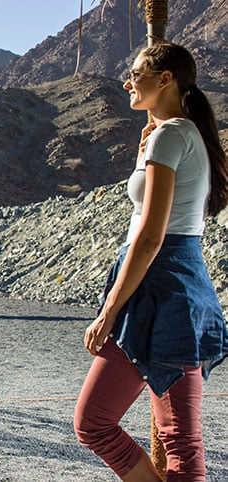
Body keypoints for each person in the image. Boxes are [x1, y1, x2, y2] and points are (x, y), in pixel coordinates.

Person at [73, 42, 228, 480]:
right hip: (180, 281)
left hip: (161, 283)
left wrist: (107, 313)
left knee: (99, 424)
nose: (127, 81)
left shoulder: (172, 134)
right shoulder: (180, 134)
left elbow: (150, 236)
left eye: (136, 72)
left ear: (165, 79)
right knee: (179, 437)